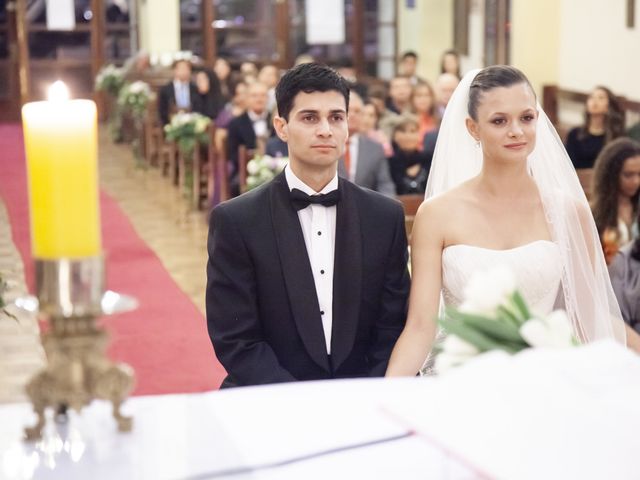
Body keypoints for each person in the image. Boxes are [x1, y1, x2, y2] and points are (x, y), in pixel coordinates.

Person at [385, 65, 629, 377]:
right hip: (459, 377)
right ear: (473, 128)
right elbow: (420, 326)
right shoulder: (437, 214)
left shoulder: (568, 212)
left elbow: (584, 320)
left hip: (541, 377)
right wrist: (388, 392)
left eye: (526, 118)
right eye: (499, 121)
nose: (517, 130)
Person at [206, 63, 410, 387]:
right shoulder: (237, 221)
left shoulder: (384, 217)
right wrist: (301, 403)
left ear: (347, 126)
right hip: (269, 399)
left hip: (362, 399)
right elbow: (236, 339)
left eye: (336, 117)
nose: (326, 130)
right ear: (281, 127)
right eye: (310, 118)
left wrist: (363, 396)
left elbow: (392, 325)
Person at [591, 138, 640, 264]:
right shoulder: (596, 214)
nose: (636, 181)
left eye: (639, 174)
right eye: (628, 175)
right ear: (612, 175)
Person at [338, 91, 396, 197]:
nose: (353, 115)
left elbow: (385, 184)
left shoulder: (375, 148)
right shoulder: (326, 143)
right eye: (348, 110)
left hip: (365, 209)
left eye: (358, 111)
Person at [226, 81, 271, 195]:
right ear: (247, 99)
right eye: (254, 95)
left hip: (274, 170)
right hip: (245, 172)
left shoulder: (277, 121)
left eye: (262, 95)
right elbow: (232, 154)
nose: (259, 99)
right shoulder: (235, 123)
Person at [565, 86, 625, 169]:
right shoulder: (574, 134)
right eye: (591, 97)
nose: (594, 101)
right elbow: (568, 166)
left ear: (609, 106)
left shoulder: (616, 137)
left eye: (601, 98)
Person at [388, 114, 431, 195]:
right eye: (403, 131)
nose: (408, 136)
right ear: (394, 136)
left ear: (419, 135)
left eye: (412, 131)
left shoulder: (429, 159)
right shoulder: (389, 163)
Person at [158, 59, 197, 126]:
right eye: (181, 68)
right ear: (175, 70)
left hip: (192, 123)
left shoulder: (195, 88)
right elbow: (162, 111)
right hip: (172, 124)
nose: (184, 71)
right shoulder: (166, 90)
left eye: (186, 68)